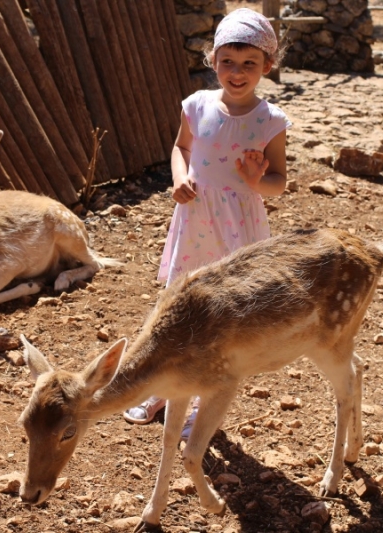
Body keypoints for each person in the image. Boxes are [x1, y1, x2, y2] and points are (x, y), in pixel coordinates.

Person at [123, 8, 292, 439]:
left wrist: (256, 179)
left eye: (248, 64)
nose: (237, 73)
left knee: (222, 316)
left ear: (267, 66)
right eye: (228, 62)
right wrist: (179, 178)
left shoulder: (269, 121)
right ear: (212, 60)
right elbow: (181, 148)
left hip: (238, 232)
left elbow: (278, 183)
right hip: (195, 220)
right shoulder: (196, 106)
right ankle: (161, 388)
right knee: (177, 305)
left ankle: (203, 400)